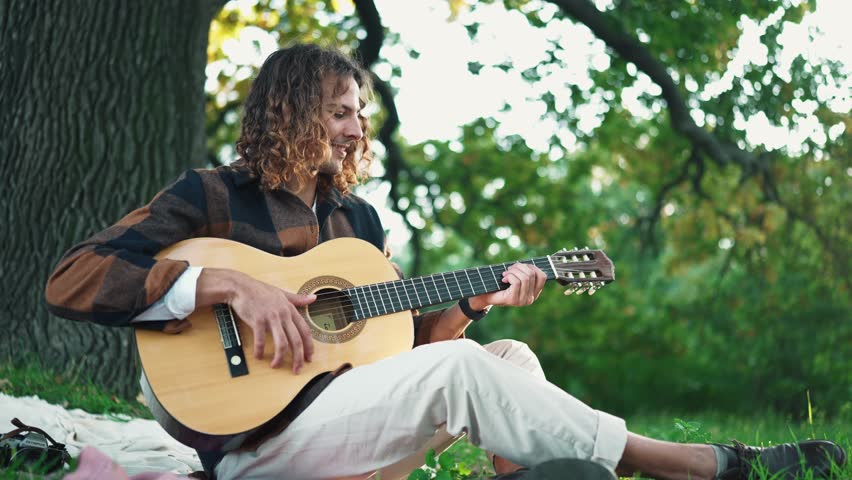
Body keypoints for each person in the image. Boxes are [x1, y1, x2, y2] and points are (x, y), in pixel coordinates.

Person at [45, 44, 845, 480]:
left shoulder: (357, 223)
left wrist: (478, 299)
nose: (358, 130)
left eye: (359, 114)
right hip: (257, 444)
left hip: (347, 424)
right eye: (340, 113)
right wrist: (222, 282)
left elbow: (408, 354)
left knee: (504, 356)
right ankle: (691, 467)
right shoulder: (212, 197)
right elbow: (73, 277)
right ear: (291, 111)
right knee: (464, 376)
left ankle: (527, 476)